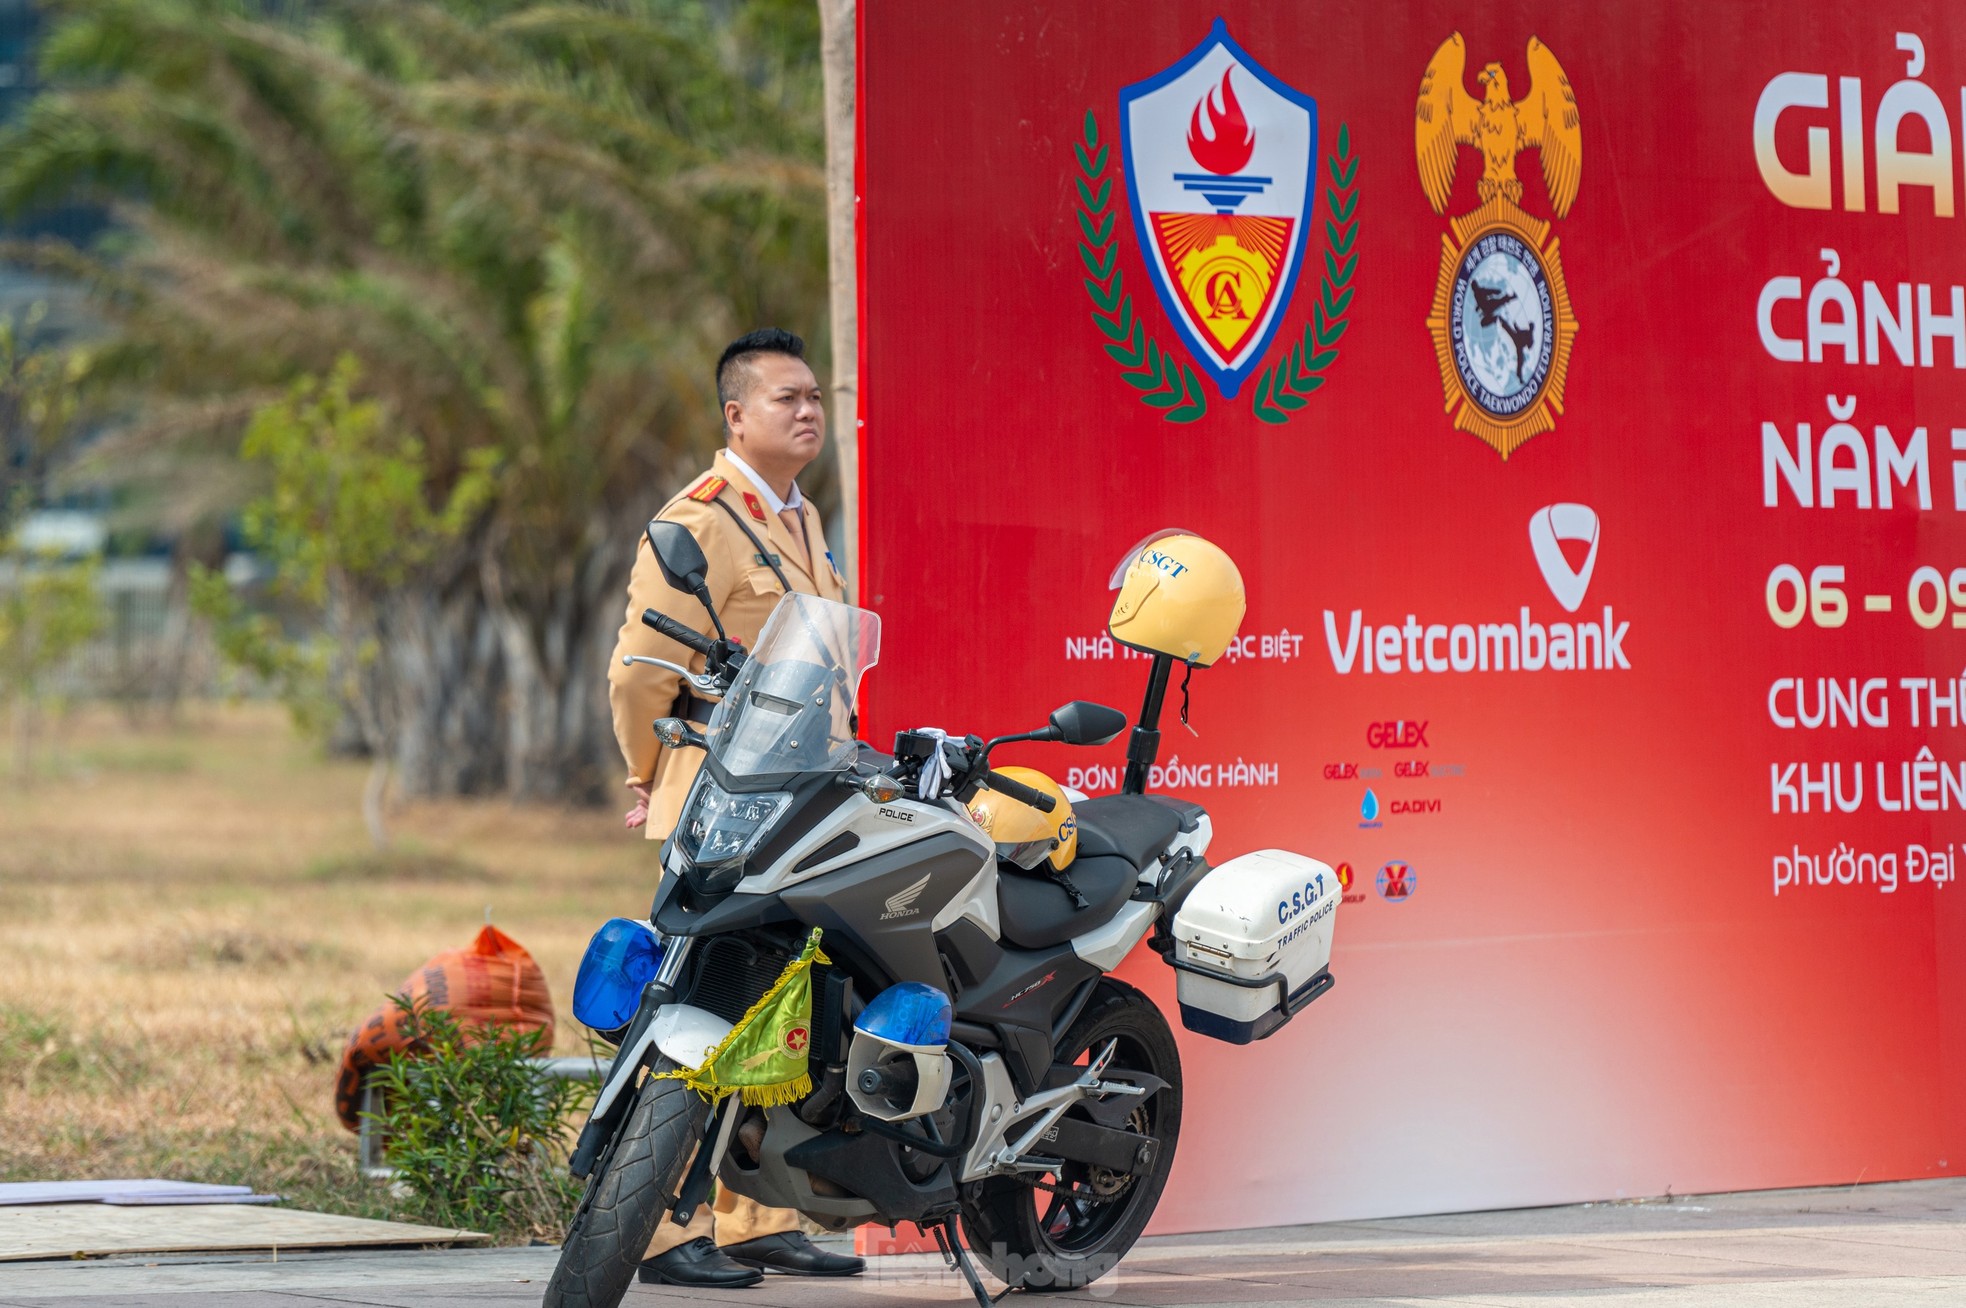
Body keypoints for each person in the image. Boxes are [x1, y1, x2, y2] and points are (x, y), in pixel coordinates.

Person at [607, 328, 862, 1287]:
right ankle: (663, 1230)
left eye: (815, 399)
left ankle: (752, 1215)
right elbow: (640, 671)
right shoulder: (701, 520)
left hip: (802, 809)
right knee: (698, 1012)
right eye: (786, 398)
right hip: (720, 803)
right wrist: (644, 771)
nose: (808, 412)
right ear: (735, 415)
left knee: (780, 1013)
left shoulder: (799, 518)